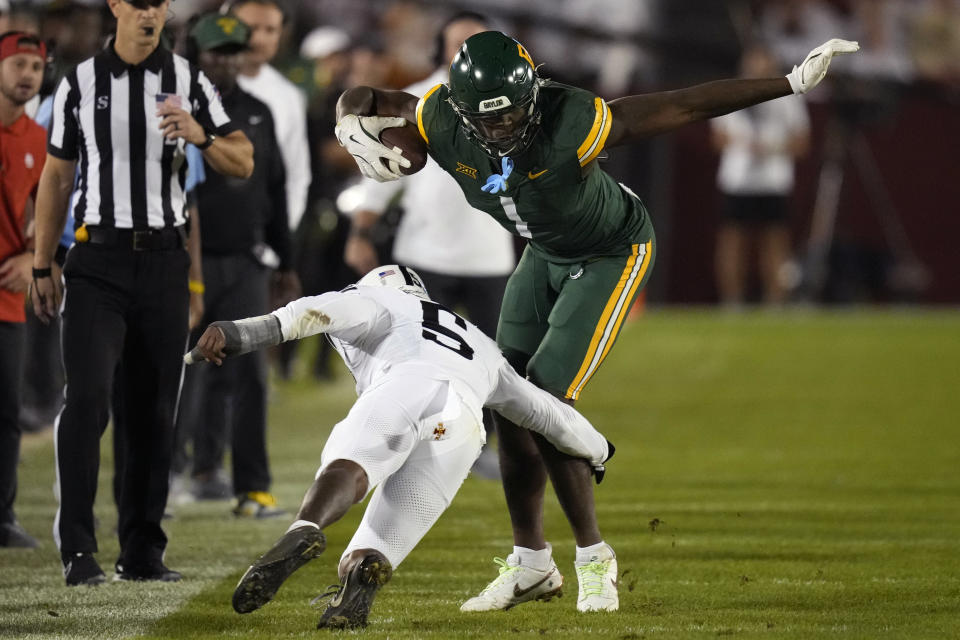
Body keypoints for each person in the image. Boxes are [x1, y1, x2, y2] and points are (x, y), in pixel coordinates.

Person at [334, 31, 858, 612]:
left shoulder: (573, 120)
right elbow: (364, 96)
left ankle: (594, 557)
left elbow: (685, 103)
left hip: (611, 251)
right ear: (457, 108)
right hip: (543, 253)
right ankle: (531, 563)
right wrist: (351, 122)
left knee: (545, 398)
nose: (504, 128)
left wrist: (786, 83)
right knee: (507, 399)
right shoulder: (438, 113)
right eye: (491, 119)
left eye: (512, 113)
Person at [183, 264, 612, 629]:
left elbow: (303, 315)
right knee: (368, 550)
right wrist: (597, 447)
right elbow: (544, 413)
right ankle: (359, 577)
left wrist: (235, 332)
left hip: (406, 386)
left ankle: (304, 530)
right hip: (462, 429)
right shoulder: (483, 345)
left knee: (351, 464)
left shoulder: (377, 301)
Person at [30, 0, 253, 586]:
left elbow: (242, 160)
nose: (150, 12)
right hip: (97, 259)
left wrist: (201, 134)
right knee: (88, 402)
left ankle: (142, 552)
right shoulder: (80, 81)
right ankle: (78, 549)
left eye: (159, 2)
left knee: (154, 412)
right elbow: (56, 174)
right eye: (139, 1)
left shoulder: (189, 80)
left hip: (163, 261)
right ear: (116, 6)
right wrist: (41, 262)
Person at [342, 11, 515, 479]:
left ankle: (478, 446)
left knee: (491, 361)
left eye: (476, 42)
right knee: (415, 358)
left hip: (489, 254)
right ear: (440, 48)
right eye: (457, 43)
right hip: (425, 252)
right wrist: (360, 232)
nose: (465, 52)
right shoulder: (418, 100)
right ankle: (410, 444)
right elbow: (380, 174)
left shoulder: (515, 102)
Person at [172, 11, 298, 516]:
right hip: (180, 261)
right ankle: (166, 478)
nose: (225, 62)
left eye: (232, 52)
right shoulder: (172, 106)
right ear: (194, 54)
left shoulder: (260, 111)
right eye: (215, 52)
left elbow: (275, 190)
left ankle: (253, 487)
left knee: (250, 377)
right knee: (177, 372)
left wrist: (285, 260)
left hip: (246, 261)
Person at [711, 43, 810, 306]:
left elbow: (802, 141)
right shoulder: (729, 93)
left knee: (775, 242)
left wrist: (772, 148)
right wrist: (744, 145)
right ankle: (731, 302)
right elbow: (718, 137)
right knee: (733, 242)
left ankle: (776, 301)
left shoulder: (788, 96)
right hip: (738, 181)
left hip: (773, 181)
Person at [0, 30, 46, 549]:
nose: (27, 74)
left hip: (9, 297)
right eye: (18, 63)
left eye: (35, 66)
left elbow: (46, 216)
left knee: (6, 412)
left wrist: (28, 258)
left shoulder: (38, 138)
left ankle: (3, 517)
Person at [230, 0, 311, 235]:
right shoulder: (197, 81)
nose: (260, 39)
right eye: (251, 28)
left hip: (257, 237)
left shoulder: (289, 96)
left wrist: (280, 236)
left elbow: (296, 174)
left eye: (270, 30)